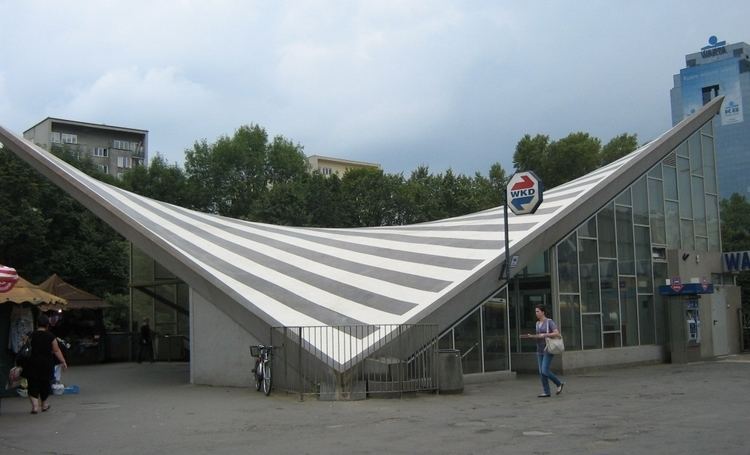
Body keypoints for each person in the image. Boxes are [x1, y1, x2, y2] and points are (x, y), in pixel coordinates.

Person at [25, 314, 67, 414]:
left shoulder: (31, 335)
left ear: (37, 324)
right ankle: (44, 405)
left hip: (32, 363)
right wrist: (63, 361)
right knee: (45, 383)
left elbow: (23, 347)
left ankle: (35, 407)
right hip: (46, 363)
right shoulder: (51, 336)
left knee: (32, 384)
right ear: (47, 325)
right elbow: (56, 350)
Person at [522, 304, 565, 398]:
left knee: (545, 370)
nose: (536, 313)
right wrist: (531, 336)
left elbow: (557, 333)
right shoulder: (537, 323)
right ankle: (546, 392)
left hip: (548, 349)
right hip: (539, 349)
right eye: (535, 311)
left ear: (543, 312)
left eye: (538, 311)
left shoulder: (549, 322)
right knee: (541, 372)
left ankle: (559, 383)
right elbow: (539, 336)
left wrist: (545, 334)